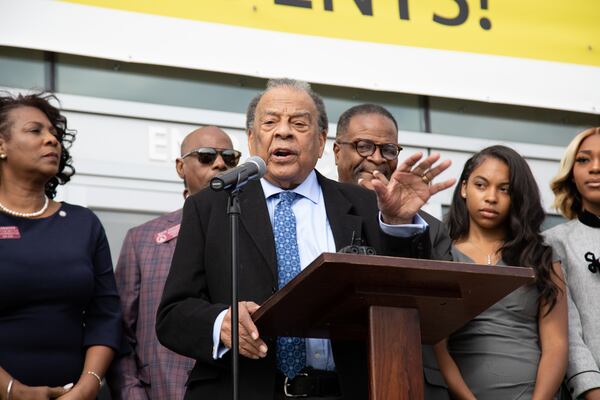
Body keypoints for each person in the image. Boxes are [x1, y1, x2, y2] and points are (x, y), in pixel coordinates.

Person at [156, 78, 455, 399]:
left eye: (298, 123)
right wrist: (220, 323)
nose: (283, 131)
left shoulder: (365, 204)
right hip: (241, 387)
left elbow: (406, 301)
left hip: (344, 389)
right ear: (252, 137)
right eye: (270, 122)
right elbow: (173, 314)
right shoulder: (210, 206)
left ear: (322, 140)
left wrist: (398, 224)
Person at [0, 92, 121, 400]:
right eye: (35, 130)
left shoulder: (83, 223)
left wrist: (88, 386)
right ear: (1, 145)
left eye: (54, 133)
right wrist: (14, 391)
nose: (52, 140)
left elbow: (105, 315)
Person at [106, 126, 240, 399]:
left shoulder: (247, 233)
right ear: (181, 167)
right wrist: (133, 395)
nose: (219, 163)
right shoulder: (141, 240)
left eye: (230, 157)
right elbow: (120, 333)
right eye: (205, 156)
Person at [334, 103, 450, 399]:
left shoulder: (428, 228)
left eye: (388, 150)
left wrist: (401, 224)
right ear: (337, 152)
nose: (376, 158)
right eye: (363, 146)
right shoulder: (312, 215)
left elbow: (438, 308)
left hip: (408, 378)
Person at [433, 145, 568, 400]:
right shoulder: (442, 256)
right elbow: (438, 348)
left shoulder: (541, 258)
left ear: (517, 197)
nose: (491, 197)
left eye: (504, 189)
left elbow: (557, 346)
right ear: (464, 188)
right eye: (481, 185)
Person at [544, 127, 600, 399]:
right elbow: (566, 331)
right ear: (571, 173)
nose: (596, 168)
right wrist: (592, 389)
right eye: (584, 159)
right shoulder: (552, 243)